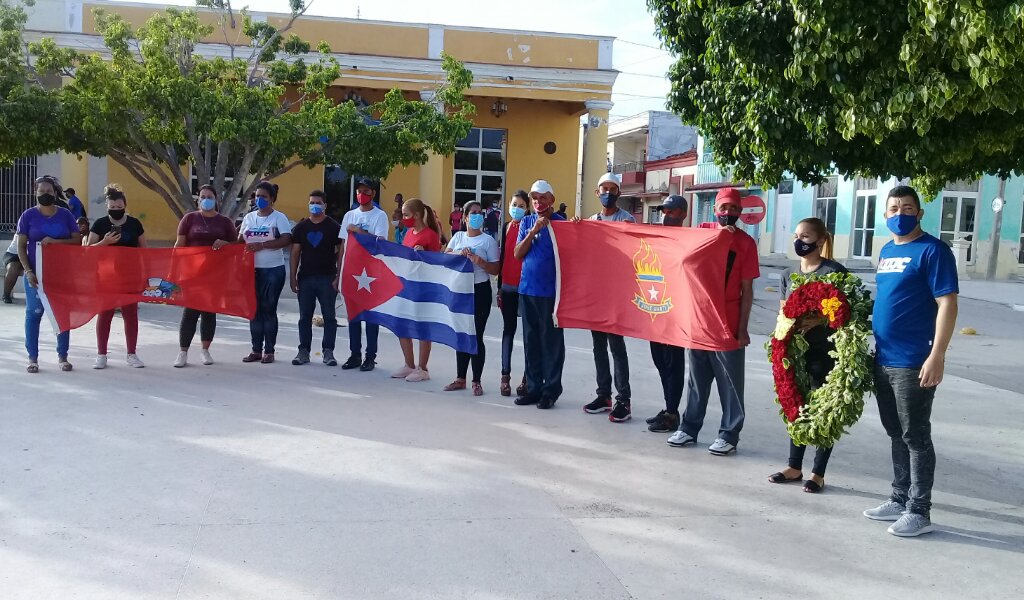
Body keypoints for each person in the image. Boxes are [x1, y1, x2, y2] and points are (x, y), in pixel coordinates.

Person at [863, 185, 958, 537]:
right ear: (885, 215)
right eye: (893, 208)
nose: (899, 213)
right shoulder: (887, 250)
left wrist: (937, 355)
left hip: (914, 359)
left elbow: (947, 304)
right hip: (884, 356)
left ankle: (920, 511)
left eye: (907, 207)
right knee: (895, 432)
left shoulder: (933, 251)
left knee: (916, 435)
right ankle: (899, 497)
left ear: (919, 213)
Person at [667, 187, 759, 455]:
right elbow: (680, 257)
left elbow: (747, 290)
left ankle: (729, 434)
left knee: (730, 382)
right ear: (715, 210)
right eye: (723, 208)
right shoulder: (702, 232)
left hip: (727, 322)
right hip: (699, 319)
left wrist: (742, 330)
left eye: (733, 209)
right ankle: (689, 428)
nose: (728, 213)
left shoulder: (745, 244)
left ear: (740, 212)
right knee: (697, 380)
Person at [767, 217, 847, 492]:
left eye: (806, 237)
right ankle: (794, 466)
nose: (800, 241)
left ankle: (818, 473)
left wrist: (820, 321)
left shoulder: (834, 272)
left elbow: (844, 315)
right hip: (795, 353)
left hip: (825, 351)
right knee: (795, 405)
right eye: (797, 235)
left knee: (823, 409)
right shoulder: (788, 274)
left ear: (821, 241)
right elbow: (783, 309)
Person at [579, 172, 635, 422]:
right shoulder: (591, 221)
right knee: (598, 345)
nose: (608, 193)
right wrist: (576, 228)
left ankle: (623, 398)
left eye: (613, 189)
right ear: (596, 192)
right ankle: (604, 395)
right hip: (597, 292)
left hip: (617, 292)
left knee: (616, 345)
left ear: (619, 193)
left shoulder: (628, 220)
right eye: (604, 189)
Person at [16, 175, 82, 373]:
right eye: (42, 191)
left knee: (62, 316)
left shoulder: (65, 215)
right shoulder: (27, 216)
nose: (46, 194)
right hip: (35, 276)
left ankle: (63, 356)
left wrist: (55, 242)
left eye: (49, 191)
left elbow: (77, 240)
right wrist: (28, 271)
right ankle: (33, 359)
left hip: (61, 275)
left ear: (55, 193)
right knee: (33, 315)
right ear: (35, 193)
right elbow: (21, 247)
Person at [513, 180, 567, 409]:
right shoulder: (526, 222)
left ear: (552, 200)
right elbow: (517, 254)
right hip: (527, 290)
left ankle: (551, 389)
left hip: (551, 293)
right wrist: (534, 230)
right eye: (534, 198)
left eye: (543, 197)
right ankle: (534, 388)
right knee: (531, 340)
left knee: (551, 343)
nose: (538, 201)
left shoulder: (562, 224)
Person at [174, 185, 237, 367]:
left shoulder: (224, 222)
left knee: (209, 312)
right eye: (203, 196)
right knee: (190, 312)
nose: (206, 199)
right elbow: (179, 245)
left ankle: (205, 351)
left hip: (216, 274)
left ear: (216, 199)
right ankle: (183, 353)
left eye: (210, 196)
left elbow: (235, 245)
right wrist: (175, 268)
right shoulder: (189, 219)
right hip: (193, 273)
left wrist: (225, 243)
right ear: (198, 199)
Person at [443, 200, 500, 396]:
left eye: (479, 213)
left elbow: (495, 269)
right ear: (465, 217)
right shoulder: (458, 237)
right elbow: (446, 257)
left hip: (480, 291)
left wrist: (480, 261)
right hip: (460, 291)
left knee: (476, 335)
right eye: (473, 213)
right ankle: (460, 378)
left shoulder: (488, 241)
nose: (477, 216)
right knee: (461, 333)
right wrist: (460, 253)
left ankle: (477, 380)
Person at [88, 184, 148, 370]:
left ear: (125, 205)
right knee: (105, 314)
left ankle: (132, 354)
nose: (115, 209)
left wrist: (146, 275)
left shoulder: (135, 224)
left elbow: (144, 250)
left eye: (119, 206)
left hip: (130, 276)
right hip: (106, 276)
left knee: (131, 315)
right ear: (107, 206)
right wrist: (105, 242)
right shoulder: (100, 224)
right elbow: (88, 251)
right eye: (112, 207)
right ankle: (101, 355)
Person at [335, 176, 389, 371]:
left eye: (366, 191)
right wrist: (338, 272)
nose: (362, 195)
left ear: (373, 193)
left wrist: (359, 232)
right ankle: (354, 354)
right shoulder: (349, 215)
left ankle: (370, 356)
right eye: (359, 191)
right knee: (354, 315)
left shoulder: (379, 216)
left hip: (371, 271)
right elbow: (343, 245)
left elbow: (380, 242)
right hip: (352, 270)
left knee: (371, 316)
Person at [646, 195, 690, 433]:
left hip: (676, 313)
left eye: (672, 212)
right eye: (664, 211)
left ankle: (673, 413)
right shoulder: (658, 237)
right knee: (660, 360)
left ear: (683, 213)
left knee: (673, 363)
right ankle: (668, 407)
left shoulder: (691, 239)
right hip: (655, 307)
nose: (666, 215)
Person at [238, 180, 292, 364]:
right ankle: (255, 350)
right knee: (254, 310)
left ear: (272, 199)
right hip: (252, 270)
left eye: (264, 197)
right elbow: (239, 239)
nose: (260, 199)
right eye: (257, 196)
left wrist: (262, 245)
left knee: (268, 309)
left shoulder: (279, 218)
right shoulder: (249, 218)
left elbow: (286, 239)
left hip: (273, 270)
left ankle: (269, 351)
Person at [391, 198, 443, 383]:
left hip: (424, 287)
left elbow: (437, 262)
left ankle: (423, 368)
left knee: (422, 327)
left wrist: (425, 254)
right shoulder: (408, 233)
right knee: (402, 324)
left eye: (406, 215)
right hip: (407, 285)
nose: (403, 218)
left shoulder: (430, 235)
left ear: (418, 215)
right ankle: (409, 364)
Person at [290, 190, 341, 367]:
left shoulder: (334, 227)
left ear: (325, 205)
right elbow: (295, 253)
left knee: (330, 317)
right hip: (305, 278)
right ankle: (303, 351)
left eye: (318, 202)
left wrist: (338, 277)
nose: (314, 205)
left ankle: (328, 352)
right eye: (312, 202)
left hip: (328, 278)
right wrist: (293, 277)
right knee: (305, 317)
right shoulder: (301, 227)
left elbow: (341, 253)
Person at [496, 190, 529, 397]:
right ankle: (505, 377)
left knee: (528, 335)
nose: (516, 209)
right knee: (508, 331)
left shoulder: (530, 227)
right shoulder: (507, 227)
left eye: (521, 206)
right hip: (507, 286)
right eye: (514, 204)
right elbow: (503, 257)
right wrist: (499, 286)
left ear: (527, 208)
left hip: (526, 288)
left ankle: (527, 378)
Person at [4, 238, 22, 304]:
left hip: (31, 254)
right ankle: (6, 295)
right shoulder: (23, 228)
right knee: (13, 269)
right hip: (13, 254)